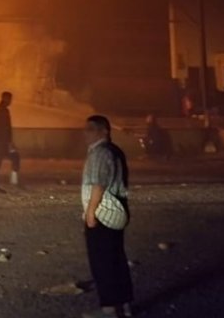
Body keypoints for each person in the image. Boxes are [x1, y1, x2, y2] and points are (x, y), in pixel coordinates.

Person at [81, 115, 134, 318]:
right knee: (117, 259)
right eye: (86, 129)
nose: (86, 133)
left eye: (91, 129)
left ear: (104, 131)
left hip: (102, 214)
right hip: (115, 213)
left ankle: (110, 309)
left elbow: (98, 184)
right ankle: (125, 304)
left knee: (102, 261)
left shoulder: (100, 153)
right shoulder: (114, 151)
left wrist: (90, 213)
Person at [0, 91, 20, 193]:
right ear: (5, 98)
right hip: (2, 142)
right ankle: (13, 180)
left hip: (0, 142)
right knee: (13, 157)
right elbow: (4, 128)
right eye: (9, 99)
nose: (10, 101)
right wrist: (8, 142)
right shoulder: (2, 111)